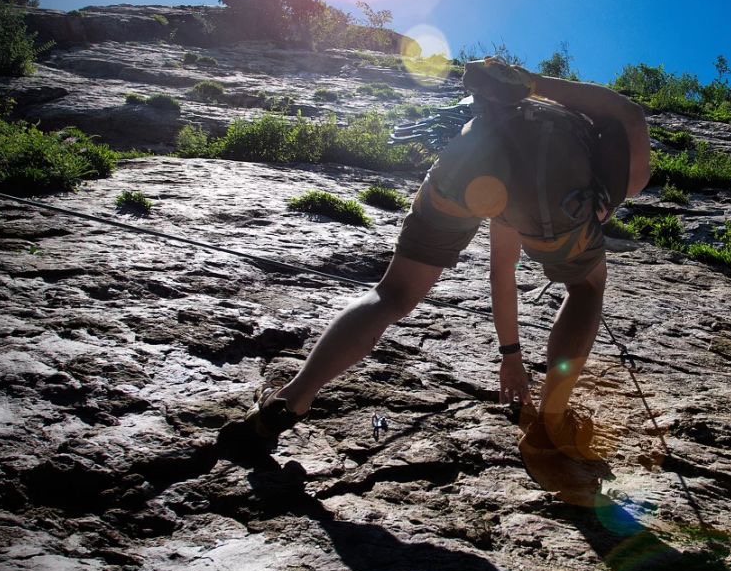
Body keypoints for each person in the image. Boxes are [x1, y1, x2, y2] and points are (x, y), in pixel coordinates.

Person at [244, 58, 650, 503]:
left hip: (472, 152)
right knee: (587, 287)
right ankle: (552, 423)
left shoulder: (551, 120)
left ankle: (288, 403)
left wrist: (511, 356)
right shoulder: (627, 174)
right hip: (551, 183)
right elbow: (629, 113)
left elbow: (502, 268)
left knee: (392, 293)